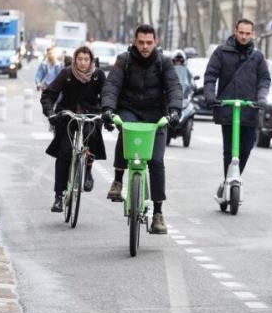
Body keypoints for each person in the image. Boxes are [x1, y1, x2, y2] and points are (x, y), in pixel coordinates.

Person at [101, 24, 182, 234]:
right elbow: (112, 85)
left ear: (155, 42)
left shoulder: (164, 62)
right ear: (134, 42)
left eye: (149, 42)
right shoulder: (124, 60)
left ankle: (158, 213)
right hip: (130, 110)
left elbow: (174, 87)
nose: (145, 47)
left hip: (156, 116)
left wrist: (174, 111)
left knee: (156, 161)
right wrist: (108, 109)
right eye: (141, 42)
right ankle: (118, 181)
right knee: (124, 130)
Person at [203, 18, 271, 196]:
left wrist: (261, 98)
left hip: (250, 109)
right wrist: (210, 96)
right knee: (229, 150)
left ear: (253, 34)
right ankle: (228, 183)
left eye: (248, 33)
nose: (244, 36)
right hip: (227, 108)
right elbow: (210, 76)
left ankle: (233, 179)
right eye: (241, 32)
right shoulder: (221, 52)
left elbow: (264, 79)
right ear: (235, 31)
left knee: (246, 148)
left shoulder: (257, 56)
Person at [40, 46, 107, 212]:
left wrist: (108, 114)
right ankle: (58, 197)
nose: (83, 63)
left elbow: (107, 97)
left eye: (86, 59)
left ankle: (88, 170)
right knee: (64, 153)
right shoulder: (67, 74)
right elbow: (49, 95)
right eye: (79, 59)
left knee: (91, 136)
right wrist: (50, 113)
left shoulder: (98, 76)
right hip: (67, 117)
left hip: (90, 116)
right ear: (75, 60)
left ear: (91, 60)